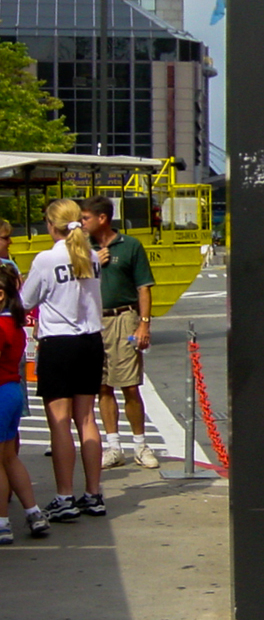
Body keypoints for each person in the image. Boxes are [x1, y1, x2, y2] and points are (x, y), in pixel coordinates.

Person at [20, 198, 106, 521]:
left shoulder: (46, 259)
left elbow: (27, 300)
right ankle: (94, 493)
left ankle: (64, 496)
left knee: (59, 421)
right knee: (87, 418)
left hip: (59, 343)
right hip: (91, 342)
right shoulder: (92, 256)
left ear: (51, 225)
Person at [80, 196, 159, 469]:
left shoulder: (130, 246)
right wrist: (92, 264)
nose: (82, 223)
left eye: (86, 218)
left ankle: (140, 445)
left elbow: (144, 287)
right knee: (102, 385)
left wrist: (144, 323)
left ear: (102, 218)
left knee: (129, 384)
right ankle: (114, 446)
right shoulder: (81, 247)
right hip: (92, 321)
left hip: (124, 317)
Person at [0, 264, 49, 542]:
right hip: (11, 391)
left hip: (0, 392)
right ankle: (33, 512)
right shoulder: (15, 324)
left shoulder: (0, 325)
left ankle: (3, 523)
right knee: (9, 458)